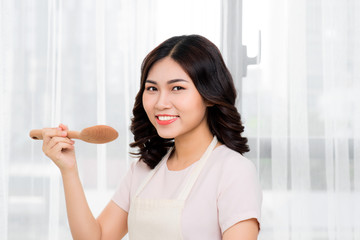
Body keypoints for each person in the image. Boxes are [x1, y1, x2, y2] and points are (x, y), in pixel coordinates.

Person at [41, 35, 262, 240]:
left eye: (177, 88)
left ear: (210, 96)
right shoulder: (145, 168)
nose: (160, 103)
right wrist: (68, 170)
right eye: (152, 88)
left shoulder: (233, 171)